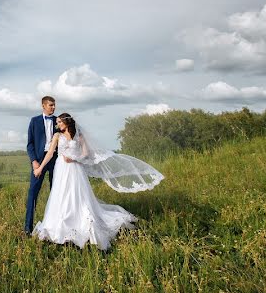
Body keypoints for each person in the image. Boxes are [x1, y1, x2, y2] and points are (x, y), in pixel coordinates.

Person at [32, 113, 164, 250]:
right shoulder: (57, 136)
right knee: (61, 194)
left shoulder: (78, 135)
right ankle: (61, 223)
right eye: (57, 122)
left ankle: (81, 221)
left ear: (67, 122)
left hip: (76, 167)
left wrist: (74, 158)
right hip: (62, 169)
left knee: (78, 195)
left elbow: (85, 153)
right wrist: (40, 168)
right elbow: (50, 153)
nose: (57, 125)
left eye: (59, 122)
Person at [23, 96, 57, 235]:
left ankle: (55, 226)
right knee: (33, 193)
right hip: (39, 159)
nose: (53, 107)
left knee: (56, 191)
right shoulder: (34, 121)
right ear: (43, 106)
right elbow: (29, 144)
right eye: (51, 105)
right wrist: (34, 161)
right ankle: (27, 229)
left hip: (55, 159)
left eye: (54, 105)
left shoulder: (58, 121)